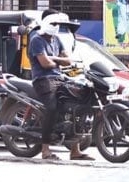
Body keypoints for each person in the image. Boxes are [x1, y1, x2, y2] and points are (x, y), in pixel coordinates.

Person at [28, 9, 93, 161]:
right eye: (54, 23)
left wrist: (53, 59)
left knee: (76, 104)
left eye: (58, 23)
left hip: (60, 78)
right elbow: (45, 64)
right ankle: (45, 150)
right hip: (43, 81)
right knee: (52, 109)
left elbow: (68, 60)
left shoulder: (56, 39)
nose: (56, 26)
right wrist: (57, 60)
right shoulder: (36, 40)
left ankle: (75, 150)